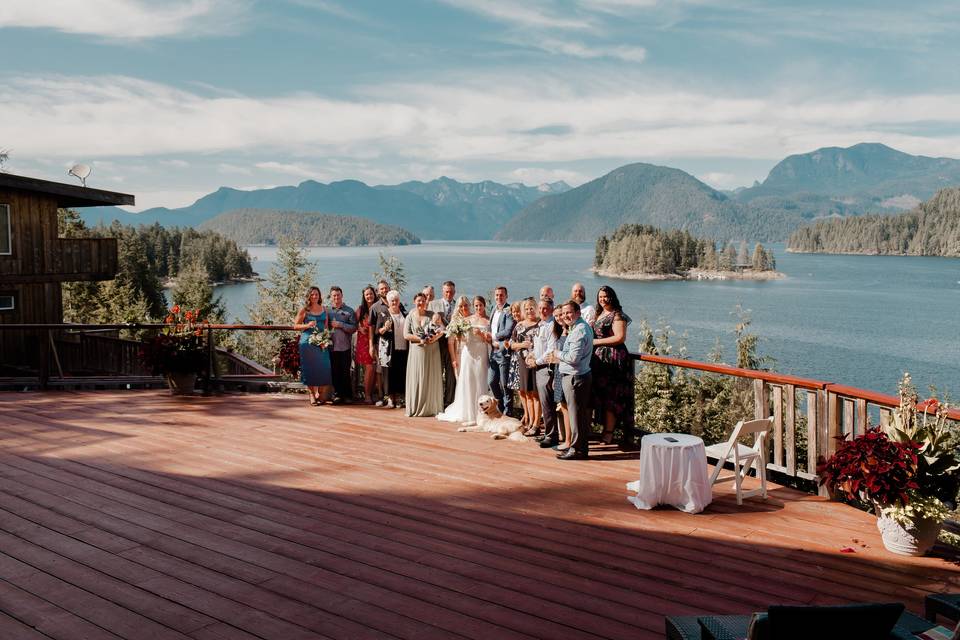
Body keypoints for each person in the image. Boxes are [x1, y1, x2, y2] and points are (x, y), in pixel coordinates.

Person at [549, 300, 594, 460]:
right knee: (578, 415)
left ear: (578, 313)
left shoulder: (579, 331)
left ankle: (577, 450)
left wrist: (557, 353)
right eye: (565, 313)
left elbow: (573, 358)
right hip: (576, 375)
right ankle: (578, 448)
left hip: (575, 377)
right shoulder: (578, 327)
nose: (567, 316)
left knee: (576, 416)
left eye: (570, 312)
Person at [591, 285, 636, 446]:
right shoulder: (599, 313)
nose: (602, 299)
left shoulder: (617, 315)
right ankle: (604, 429)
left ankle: (609, 433)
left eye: (605, 296)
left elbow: (620, 337)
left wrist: (596, 342)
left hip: (614, 359)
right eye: (600, 296)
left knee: (612, 397)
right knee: (601, 396)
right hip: (599, 360)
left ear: (612, 297)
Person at [437, 295, 491, 426]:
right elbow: (456, 338)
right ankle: (468, 412)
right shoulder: (466, 320)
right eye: (476, 305)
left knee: (480, 379)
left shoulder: (489, 320)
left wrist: (481, 335)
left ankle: (482, 412)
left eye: (480, 305)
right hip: (468, 353)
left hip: (482, 353)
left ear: (484, 306)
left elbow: (490, 339)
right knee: (468, 380)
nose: (478, 307)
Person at [404, 292, 445, 417]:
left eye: (423, 300)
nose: (421, 303)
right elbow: (406, 335)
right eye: (418, 301)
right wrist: (420, 338)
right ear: (414, 302)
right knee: (417, 377)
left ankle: (431, 406)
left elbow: (442, 330)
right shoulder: (410, 316)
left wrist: (433, 338)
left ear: (426, 301)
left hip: (432, 351)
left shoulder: (432, 315)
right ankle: (416, 406)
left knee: (430, 377)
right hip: (416, 352)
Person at [527, 296, 560, 448]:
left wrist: (537, 361)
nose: (542, 311)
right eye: (540, 308)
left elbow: (551, 349)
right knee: (544, 402)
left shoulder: (553, 325)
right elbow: (538, 345)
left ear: (552, 309)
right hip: (538, 366)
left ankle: (552, 435)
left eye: (545, 308)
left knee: (547, 403)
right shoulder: (541, 323)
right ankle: (548, 432)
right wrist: (531, 355)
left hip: (546, 368)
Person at [507, 297, 541, 436]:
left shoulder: (541, 324)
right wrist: (523, 345)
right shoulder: (519, 325)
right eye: (526, 309)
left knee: (535, 394)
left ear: (536, 308)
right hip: (522, 362)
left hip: (536, 362)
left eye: (531, 308)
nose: (529, 311)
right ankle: (529, 421)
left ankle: (536, 424)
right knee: (526, 393)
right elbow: (511, 344)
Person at [294, 286, 332, 406]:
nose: (315, 296)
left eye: (317, 294)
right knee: (310, 369)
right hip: (307, 343)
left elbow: (326, 327)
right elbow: (296, 326)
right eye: (312, 294)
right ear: (309, 296)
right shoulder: (305, 310)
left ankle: (320, 394)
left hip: (321, 342)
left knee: (324, 367)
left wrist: (325, 340)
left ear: (320, 296)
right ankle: (311, 394)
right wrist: (307, 325)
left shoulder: (324, 309)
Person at [373, 290, 407, 408]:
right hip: (388, 349)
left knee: (400, 373)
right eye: (392, 300)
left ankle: (399, 399)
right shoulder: (383, 314)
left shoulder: (404, 313)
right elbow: (377, 331)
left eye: (396, 300)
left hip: (402, 347)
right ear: (388, 301)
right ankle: (391, 399)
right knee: (388, 375)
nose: (394, 302)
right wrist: (384, 329)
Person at [428, 280, 458, 406]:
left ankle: (449, 401)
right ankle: (436, 400)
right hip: (437, 344)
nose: (448, 294)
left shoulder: (459, 305)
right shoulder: (433, 305)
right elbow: (428, 324)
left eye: (451, 292)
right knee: (436, 372)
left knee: (452, 373)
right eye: (446, 291)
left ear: (454, 292)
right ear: (443, 291)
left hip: (454, 345)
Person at [487, 285, 515, 416]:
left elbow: (508, 331)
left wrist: (494, 337)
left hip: (503, 351)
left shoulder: (509, 311)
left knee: (505, 384)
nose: (499, 297)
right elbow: (490, 326)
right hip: (493, 351)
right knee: (491, 381)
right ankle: (501, 406)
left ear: (506, 296)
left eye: (501, 295)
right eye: (497, 295)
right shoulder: (493, 308)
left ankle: (508, 412)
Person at [327, 286, 356, 404]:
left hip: (345, 347)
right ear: (331, 297)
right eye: (334, 295)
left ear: (342, 295)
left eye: (338, 295)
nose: (336, 297)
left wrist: (341, 325)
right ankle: (337, 395)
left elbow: (354, 327)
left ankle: (348, 395)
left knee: (345, 372)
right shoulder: (327, 311)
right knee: (335, 372)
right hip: (331, 347)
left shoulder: (349, 311)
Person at [369, 279, 391, 403]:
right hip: (380, 343)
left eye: (386, 288)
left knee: (390, 369)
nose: (384, 290)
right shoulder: (375, 307)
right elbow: (371, 328)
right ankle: (381, 395)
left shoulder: (395, 303)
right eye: (381, 288)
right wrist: (371, 345)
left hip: (393, 343)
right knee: (379, 369)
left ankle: (391, 395)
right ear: (378, 291)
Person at [355, 286, 378, 404]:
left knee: (374, 369)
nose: (369, 296)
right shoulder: (361, 309)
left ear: (374, 294)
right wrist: (359, 327)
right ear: (364, 297)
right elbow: (353, 323)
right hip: (364, 341)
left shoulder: (379, 307)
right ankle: (367, 395)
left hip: (376, 341)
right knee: (368, 368)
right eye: (367, 295)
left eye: (371, 294)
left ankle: (373, 393)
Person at [445, 295, 471, 378]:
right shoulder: (454, 321)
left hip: (473, 353)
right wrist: (453, 360)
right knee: (460, 379)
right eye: (461, 306)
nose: (463, 308)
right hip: (459, 353)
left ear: (469, 305)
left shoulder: (474, 318)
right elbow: (450, 343)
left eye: (465, 305)